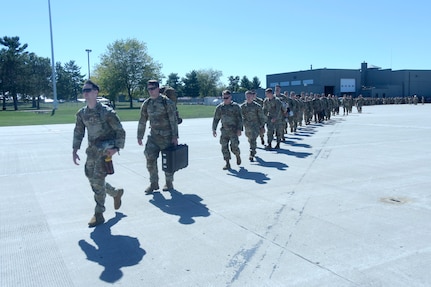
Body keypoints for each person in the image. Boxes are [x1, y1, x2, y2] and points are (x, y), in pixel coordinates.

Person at [73, 80, 126, 227]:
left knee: (97, 179)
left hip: (105, 150)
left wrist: (116, 148)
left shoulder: (107, 112)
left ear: (96, 92)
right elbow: (78, 131)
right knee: (92, 177)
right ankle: (115, 193)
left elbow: (120, 131)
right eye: (84, 90)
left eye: (88, 90)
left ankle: (99, 213)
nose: (85, 93)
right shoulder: (82, 113)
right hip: (92, 151)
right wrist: (74, 149)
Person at [137, 80, 179, 194]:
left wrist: (175, 136)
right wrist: (139, 136)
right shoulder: (147, 103)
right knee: (150, 159)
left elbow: (173, 120)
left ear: (158, 88)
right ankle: (153, 183)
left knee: (168, 162)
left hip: (167, 137)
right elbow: (142, 120)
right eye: (149, 89)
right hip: (153, 137)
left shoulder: (167, 102)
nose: (150, 91)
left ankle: (169, 183)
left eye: (153, 88)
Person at [212, 90, 243, 170]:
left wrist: (239, 129)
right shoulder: (220, 107)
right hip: (224, 130)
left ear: (230, 97)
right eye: (224, 97)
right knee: (224, 147)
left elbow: (240, 119)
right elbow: (216, 119)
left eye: (227, 97)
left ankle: (237, 155)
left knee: (234, 146)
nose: (225, 99)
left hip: (233, 130)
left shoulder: (235, 107)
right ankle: (227, 163)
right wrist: (214, 129)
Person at [240, 90, 265, 162]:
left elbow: (261, 117)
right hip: (247, 126)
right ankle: (253, 150)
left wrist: (262, 126)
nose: (248, 98)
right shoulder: (242, 106)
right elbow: (240, 117)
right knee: (249, 139)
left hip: (255, 126)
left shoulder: (257, 106)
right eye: (247, 96)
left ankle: (252, 153)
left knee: (253, 139)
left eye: (249, 96)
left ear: (252, 97)